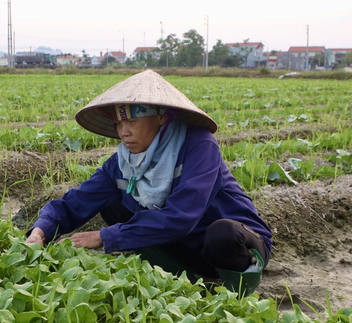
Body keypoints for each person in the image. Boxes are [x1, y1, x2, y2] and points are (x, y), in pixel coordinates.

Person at [26, 70, 272, 293]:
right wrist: (41, 229)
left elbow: (181, 217)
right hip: (187, 248)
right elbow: (77, 201)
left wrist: (105, 237)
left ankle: (238, 292)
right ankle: (184, 277)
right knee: (111, 204)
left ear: (161, 118)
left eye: (132, 121)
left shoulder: (199, 145)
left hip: (239, 247)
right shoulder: (122, 162)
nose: (124, 132)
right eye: (119, 123)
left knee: (222, 234)